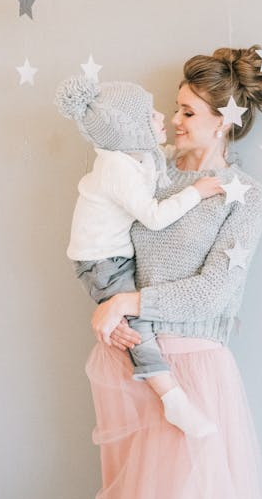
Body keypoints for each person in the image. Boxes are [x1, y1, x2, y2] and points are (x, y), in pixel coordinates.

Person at [86, 46, 262, 499]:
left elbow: (213, 291)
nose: (174, 121)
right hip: (133, 358)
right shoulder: (147, 172)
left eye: (188, 112)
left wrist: (123, 304)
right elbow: (102, 243)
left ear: (223, 120)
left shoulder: (245, 195)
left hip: (196, 370)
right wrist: (107, 304)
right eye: (175, 109)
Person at [55, 76, 224, 437]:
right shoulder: (118, 168)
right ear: (130, 129)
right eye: (151, 115)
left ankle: (171, 396)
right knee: (137, 329)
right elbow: (155, 217)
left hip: (113, 257)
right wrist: (196, 192)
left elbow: (161, 163)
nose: (164, 117)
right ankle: (173, 398)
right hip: (101, 261)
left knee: (131, 322)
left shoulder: (139, 157)